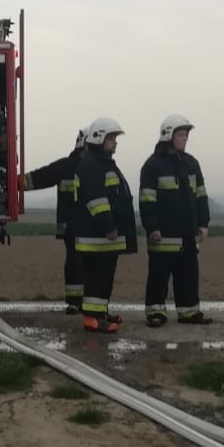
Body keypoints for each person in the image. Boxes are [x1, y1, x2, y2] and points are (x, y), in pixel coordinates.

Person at [137, 113, 212, 326]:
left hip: (187, 233)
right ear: (168, 135)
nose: (185, 139)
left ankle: (189, 312)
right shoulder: (153, 165)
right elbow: (146, 199)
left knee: (188, 274)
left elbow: (201, 195)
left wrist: (203, 223)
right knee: (159, 275)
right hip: (163, 234)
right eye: (180, 135)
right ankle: (156, 313)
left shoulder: (191, 164)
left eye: (186, 135)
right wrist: (152, 227)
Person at [72, 117, 137, 333]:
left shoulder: (100, 163)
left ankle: (100, 313)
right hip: (98, 236)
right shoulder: (91, 165)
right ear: (99, 138)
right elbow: (96, 201)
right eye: (112, 138)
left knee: (104, 277)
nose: (115, 142)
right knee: (97, 277)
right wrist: (109, 225)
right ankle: (92, 318)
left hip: (103, 237)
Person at [20, 129, 86, 312]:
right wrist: (14, 183)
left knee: (76, 261)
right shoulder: (75, 167)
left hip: (74, 226)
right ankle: (78, 301)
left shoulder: (66, 165)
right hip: (80, 226)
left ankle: (76, 302)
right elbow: (39, 178)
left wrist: (14, 183)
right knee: (80, 261)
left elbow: (40, 177)